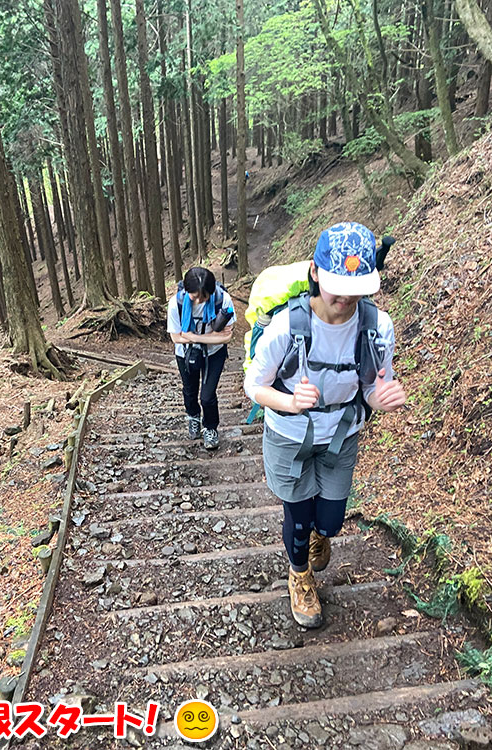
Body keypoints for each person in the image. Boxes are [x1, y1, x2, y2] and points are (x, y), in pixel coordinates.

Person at [243, 222, 407, 627]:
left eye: (358, 287)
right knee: (298, 519)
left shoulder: (376, 326)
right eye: (338, 285)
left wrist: (380, 399)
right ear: (315, 273)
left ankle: (317, 537)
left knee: (330, 521)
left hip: (341, 435)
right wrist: (290, 402)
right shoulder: (286, 326)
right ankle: (299, 576)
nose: (347, 297)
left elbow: (371, 384)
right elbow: (254, 385)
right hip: (288, 436)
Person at [167, 267, 236, 450]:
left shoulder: (222, 300)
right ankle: (193, 416)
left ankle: (211, 427)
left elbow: (227, 337)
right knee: (189, 390)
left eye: (204, 296)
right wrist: (213, 335)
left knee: (207, 395)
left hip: (214, 353)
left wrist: (195, 337)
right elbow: (176, 337)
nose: (199, 301)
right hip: (185, 353)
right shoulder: (177, 303)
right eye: (194, 296)